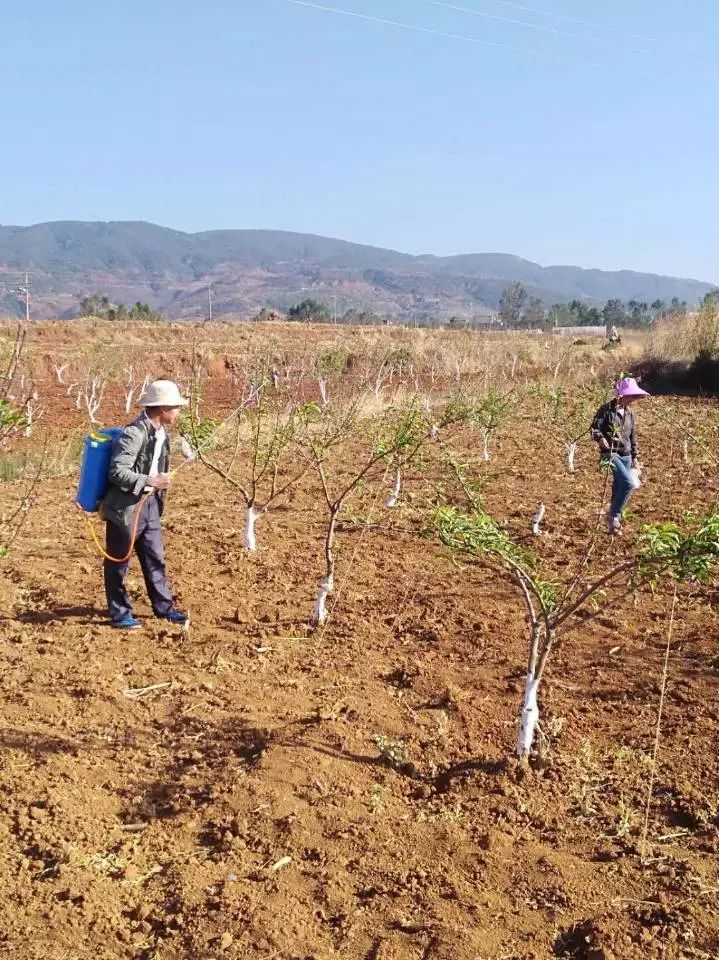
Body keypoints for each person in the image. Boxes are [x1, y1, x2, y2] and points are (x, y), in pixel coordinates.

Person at [101, 380, 189, 629]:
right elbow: (117, 472)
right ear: (162, 408)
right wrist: (150, 480)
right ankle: (120, 615)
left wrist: (158, 485)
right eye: (175, 407)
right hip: (125, 509)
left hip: (149, 505)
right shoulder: (134, 433)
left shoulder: (161, 434)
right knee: (119, 562)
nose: (178, 412)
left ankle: (164, 608)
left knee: (155, 558)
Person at [591, 376, 649, 535]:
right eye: (631, 396)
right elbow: (594, 429)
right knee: (629, 484)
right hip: (610, 454)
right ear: (622, 395)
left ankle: (612, 528)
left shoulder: (630, 413)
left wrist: (635, 457)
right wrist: (601, 438)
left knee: (619, 489)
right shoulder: (606, 410)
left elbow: (633, 437)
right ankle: (613, 515)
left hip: (626, 455)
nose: (633, 399)